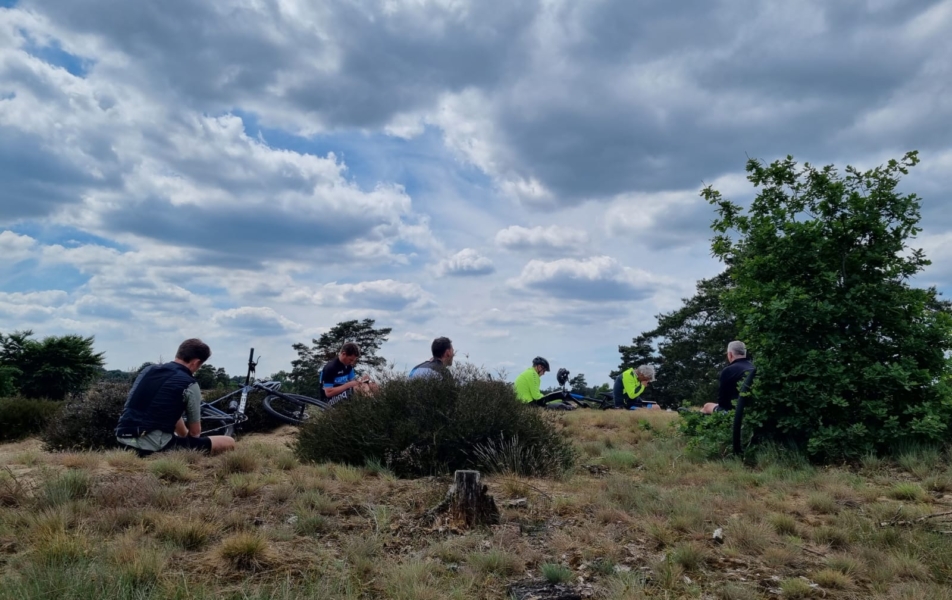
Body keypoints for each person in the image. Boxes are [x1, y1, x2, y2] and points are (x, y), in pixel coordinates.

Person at [115, 339, 235, 457]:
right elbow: (195, 432)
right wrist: (189, 442)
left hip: (122, 440)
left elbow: (168, 411)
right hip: (153, 447)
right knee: (228, 442)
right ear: (196, 362)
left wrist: (183, 435)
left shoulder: (148, 370)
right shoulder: (189, 383)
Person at [702, 340, 755, 414]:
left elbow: (722, 402)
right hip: (753, 411)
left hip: (736, 413)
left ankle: (695, 417)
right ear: (744, 353)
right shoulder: (754, 367)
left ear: (730, 354)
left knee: (707, 406)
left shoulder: (728, 371)